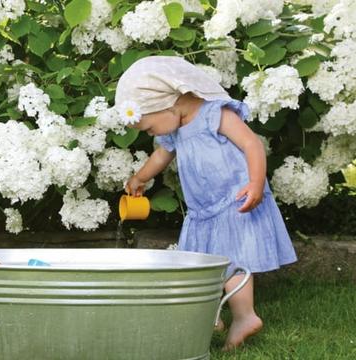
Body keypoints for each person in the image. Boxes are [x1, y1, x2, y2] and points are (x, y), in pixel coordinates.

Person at [115, 55, 298, 352]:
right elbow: (162, 155)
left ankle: (245, 316)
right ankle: (211, 317)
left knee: (233, 261)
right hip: (203, 211)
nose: (151, 134)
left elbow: (252, 144)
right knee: (203, 265)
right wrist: (140, 178)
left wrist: (255, 184)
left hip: (234, 201)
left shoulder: (216, 114)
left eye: (148, 128)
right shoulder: (175, 128)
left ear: (168, 103)